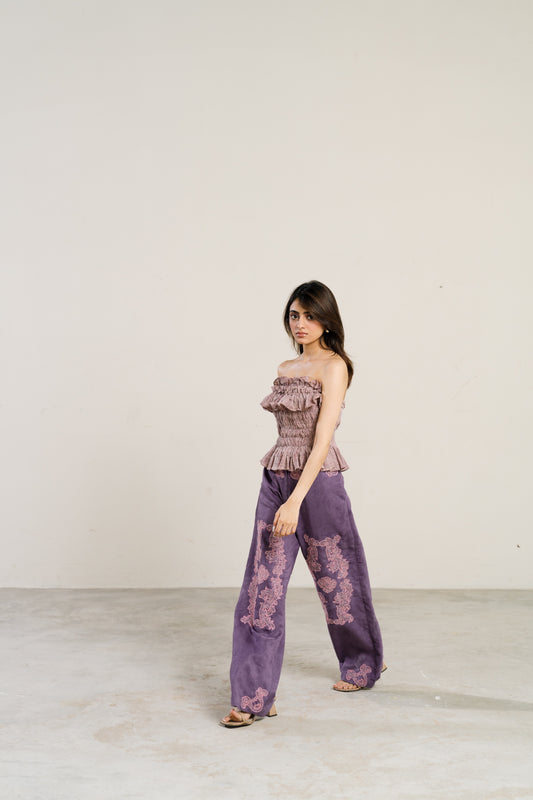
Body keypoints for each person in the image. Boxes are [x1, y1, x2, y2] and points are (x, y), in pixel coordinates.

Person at [220, 280, 385, 728]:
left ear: (326, 320)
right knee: (262, 587)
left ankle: (363, 663)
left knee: (337, 575)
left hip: (318, 483)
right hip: (277, 474)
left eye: (310, 316)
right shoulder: (286, 367)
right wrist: (283, 493)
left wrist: (295, 501)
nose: (301, 324)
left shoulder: (335, 366)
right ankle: (253, 696)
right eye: (295, 315)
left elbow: (322, 438)